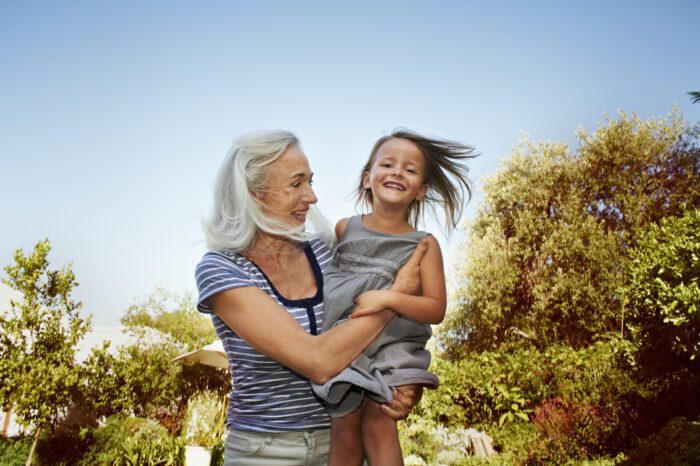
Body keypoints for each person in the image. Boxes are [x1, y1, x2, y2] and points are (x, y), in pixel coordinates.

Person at [195, 130, 428, 466]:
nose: (312, 196)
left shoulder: (326, 251)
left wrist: (405, 382)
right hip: (265, 453)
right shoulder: (221, 269)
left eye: (311, 181)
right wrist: (394, 298)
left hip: (344, 444)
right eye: (297, 184)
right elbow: (317, 361)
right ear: (254, 194)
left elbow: (386, 338)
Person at [312, 129, 475, 466]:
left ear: (421, 191)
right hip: (347, 341)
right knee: (343, 427)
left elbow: (436, 308)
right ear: (367, 178)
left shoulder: (424, 244)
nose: (398, 172)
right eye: (388, 164)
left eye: (410, 170)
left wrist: (388, 299)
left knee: (378, 424)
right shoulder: (344, 228)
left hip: (393, 349)